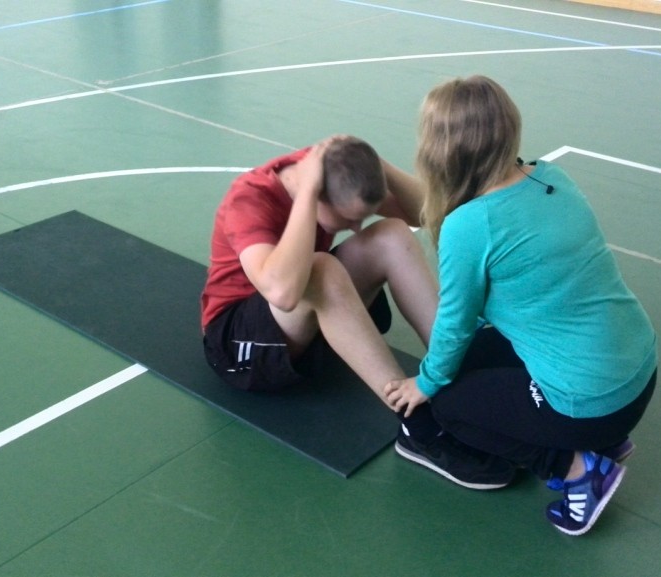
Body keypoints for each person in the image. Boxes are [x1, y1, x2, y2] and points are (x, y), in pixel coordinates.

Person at [384, 76, 658, 536]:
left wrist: (425, 383)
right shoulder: (551, 176)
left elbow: (454, 323)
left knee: (447, 402)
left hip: (592, 400)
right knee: (475, 356)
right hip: (639, 369)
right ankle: (604, 439)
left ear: (439, 149)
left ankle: (579, 470)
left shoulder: (468, 225)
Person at [200, 135, 515, 488]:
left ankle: (462, 372)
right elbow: (282, 294)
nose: (355, 228)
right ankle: (418, 427)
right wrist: (306, 195)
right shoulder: (250, 198)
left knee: (392, 234)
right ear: (316, 194)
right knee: (321, 270)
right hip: (237, 348)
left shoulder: (332, 168)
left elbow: (429, 213)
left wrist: (378, 164)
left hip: (304, 329)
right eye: (348, 219)